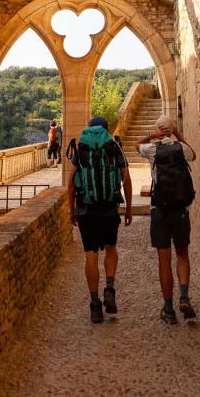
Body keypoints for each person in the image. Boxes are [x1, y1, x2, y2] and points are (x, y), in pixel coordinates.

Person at [68, 115, 133, 324]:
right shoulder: (114, 147)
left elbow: (70, 183)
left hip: (86, 210)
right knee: (111, 248)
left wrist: (72, 210)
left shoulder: (81, 149)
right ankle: (110, 289)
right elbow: (127, 179)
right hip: (109, 209)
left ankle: (95, 305)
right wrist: (128, 208)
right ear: (106, 129)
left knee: (91, 255)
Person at [135, 115, 197, 324]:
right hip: (180, 209)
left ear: (159, 129)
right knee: (182, 253)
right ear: (171, 130)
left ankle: (168, 309)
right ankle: (185, 296)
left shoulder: (152, 149)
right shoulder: (181, 149)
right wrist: (177, 135)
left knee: (164, 259)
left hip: (159, 210)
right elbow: (194, 155)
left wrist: (151, 136)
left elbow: (137, 145)